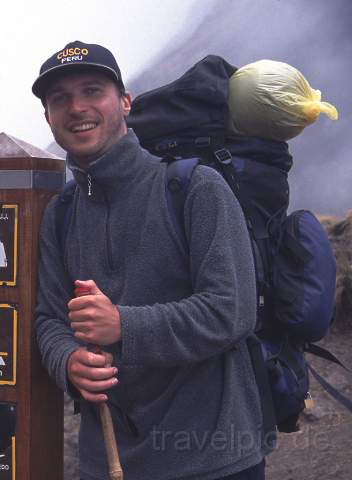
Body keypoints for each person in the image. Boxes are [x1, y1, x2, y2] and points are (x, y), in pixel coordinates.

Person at [33, 41, 269, 480]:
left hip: (212, 459)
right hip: (106, 461)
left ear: (125, 103)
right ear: (48, 116)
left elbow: (231, 311)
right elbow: (49, 318)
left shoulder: (195, 188)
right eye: (60, 99)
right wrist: (67, 361)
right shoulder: (61, 214)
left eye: (92, 91)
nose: (77, 107)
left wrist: (122, 325)